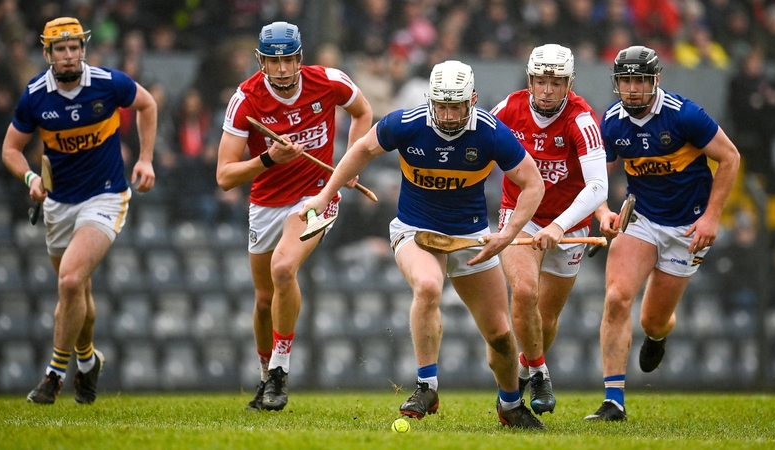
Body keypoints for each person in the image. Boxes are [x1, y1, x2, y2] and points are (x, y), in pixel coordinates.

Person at [300, 60, 547, 429]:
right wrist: (325, 194)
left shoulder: (490, 132)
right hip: (415, 231)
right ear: (431, 101)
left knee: (500, 337)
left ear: (472, 101)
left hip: (470, 238)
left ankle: (510, 404)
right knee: (429, 286)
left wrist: (509, 233)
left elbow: (534, 183)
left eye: (456, 106)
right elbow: (363, 150)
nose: (448, 115)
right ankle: (426, 385)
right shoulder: (407, 123)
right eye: (442, 105)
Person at [216, 21, 372, 412]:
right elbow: (224, 176)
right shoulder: (245, 100)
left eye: (288, 60)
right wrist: (269, 158)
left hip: (317, 196)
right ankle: (266, 374)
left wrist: (350, 164)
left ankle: (281, 373)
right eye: (273, 61)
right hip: (265, 203)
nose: (282, 69)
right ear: (261, 61)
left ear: (300, 58)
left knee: (284, 269)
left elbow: (363, 111)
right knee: (265, 299)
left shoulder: (329, 81)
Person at [1, 17, 157, 404]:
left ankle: (54, 375)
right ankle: (87, 362)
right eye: (60, 49)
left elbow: (147, 104)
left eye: (74, 48)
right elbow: (10, 150)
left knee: (69, 282)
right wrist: (30, 180)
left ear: (83, 49)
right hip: (58, 204)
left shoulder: (108, 83)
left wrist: (147, 159)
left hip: (105, 196)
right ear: (47, 53)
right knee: (78, 294)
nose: (69, 55)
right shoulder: (35, 95)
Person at [584, 45, 739, 421]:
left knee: (653, 319)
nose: (633, 88)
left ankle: (657, 335)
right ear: (617, 82)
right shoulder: (613, 121)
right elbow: (598, 173)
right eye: (626, 80)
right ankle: (613, 401)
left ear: (656, 81)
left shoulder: (684, 115)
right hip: (641, 218)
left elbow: (730, 157)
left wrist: (712, 218)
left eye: (641, 80)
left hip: (688, 225)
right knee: (618, 297)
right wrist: (603, 211)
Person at [490, 44, 608, 415]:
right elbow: (473, 143)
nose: (546, 90)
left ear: (569, 83)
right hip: (519, 215)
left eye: (555, 83)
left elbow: (598, 187)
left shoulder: (582, 119)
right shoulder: (507, 109)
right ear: (530, 80)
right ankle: (541, 374)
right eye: (540, 81)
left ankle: (525, 368)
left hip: (568, 222)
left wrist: (559, 226)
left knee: (547, 316)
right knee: (524, 291)